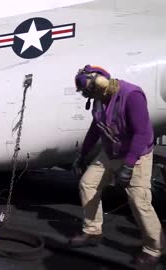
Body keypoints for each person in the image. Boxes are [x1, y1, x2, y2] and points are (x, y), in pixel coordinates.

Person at [70, 64, 164, 267]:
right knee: (88, 184)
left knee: (139, 200)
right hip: (111, 151)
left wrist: (129, 165)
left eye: (89, 90)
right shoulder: (99, 100)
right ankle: (93, 230)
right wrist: (82, 155)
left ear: (99, 83)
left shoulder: (131, 95)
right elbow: (95, 130)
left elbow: (143, 134)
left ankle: (154, 248)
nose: (89, 95)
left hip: (136, 153)